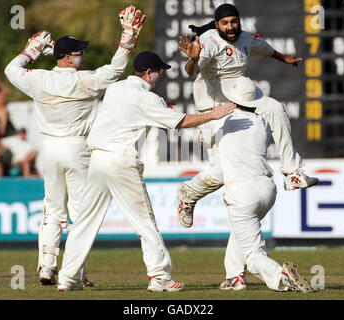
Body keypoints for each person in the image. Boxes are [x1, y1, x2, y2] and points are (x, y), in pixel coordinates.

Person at [57, 51, 236, 291]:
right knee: (145, 222)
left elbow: (130, 116)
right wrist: (212, 115)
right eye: (159, 72)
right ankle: (159, 277)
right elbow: (180, 122)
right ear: (149, 73)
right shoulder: (148, 99)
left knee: (84, 221)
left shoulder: (116, 88)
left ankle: (68, 277)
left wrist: (162, 110)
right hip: (121, 161)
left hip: (98, 159)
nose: (160, 76)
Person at [4, 5, 146, 286]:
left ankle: (47, 267)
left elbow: (11, 69)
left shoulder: (37, 78)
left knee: (53, 211)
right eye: (78, 52)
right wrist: (127, 37)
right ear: (68, 58)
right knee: (82, 214)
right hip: (78, 148)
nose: (82, 55)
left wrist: (31, 49)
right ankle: (76, 274)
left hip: (50, 150)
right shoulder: (86, 80)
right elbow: (116, 69)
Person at [177, 3, 319, 230]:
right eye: (225, 23)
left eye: (233, 22)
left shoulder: (245, 38)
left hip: (241, 98)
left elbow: (267, 49)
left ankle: (292, 172)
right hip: (213, 109)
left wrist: (287, 60)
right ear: (217, 25)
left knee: (275, 109)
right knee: (221, 173)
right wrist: (193, 59)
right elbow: (191, 72)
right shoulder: (210, 41)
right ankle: (188, 195)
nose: (230, 27)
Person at [217, 76, 312, 292]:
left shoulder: (223, 123)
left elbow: (209, 139)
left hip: (241, 192)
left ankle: (282, 276)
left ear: (233, 99)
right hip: (267, 190)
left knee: (253, 255)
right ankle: (235, 277)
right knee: (241, 231)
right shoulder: (262, 122)